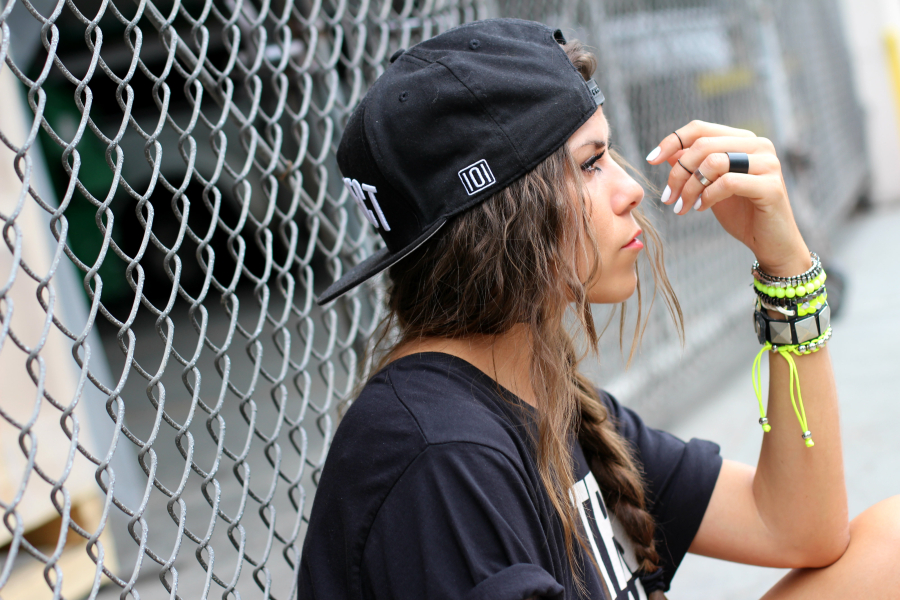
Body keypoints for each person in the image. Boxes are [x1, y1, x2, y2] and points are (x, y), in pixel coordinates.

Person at [298, 18, 900, 600]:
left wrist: (787, 269)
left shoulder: (534, 387)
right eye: (591, 163)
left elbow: (796, 525)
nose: (632, 188)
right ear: (504, 214)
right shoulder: (437, 453)